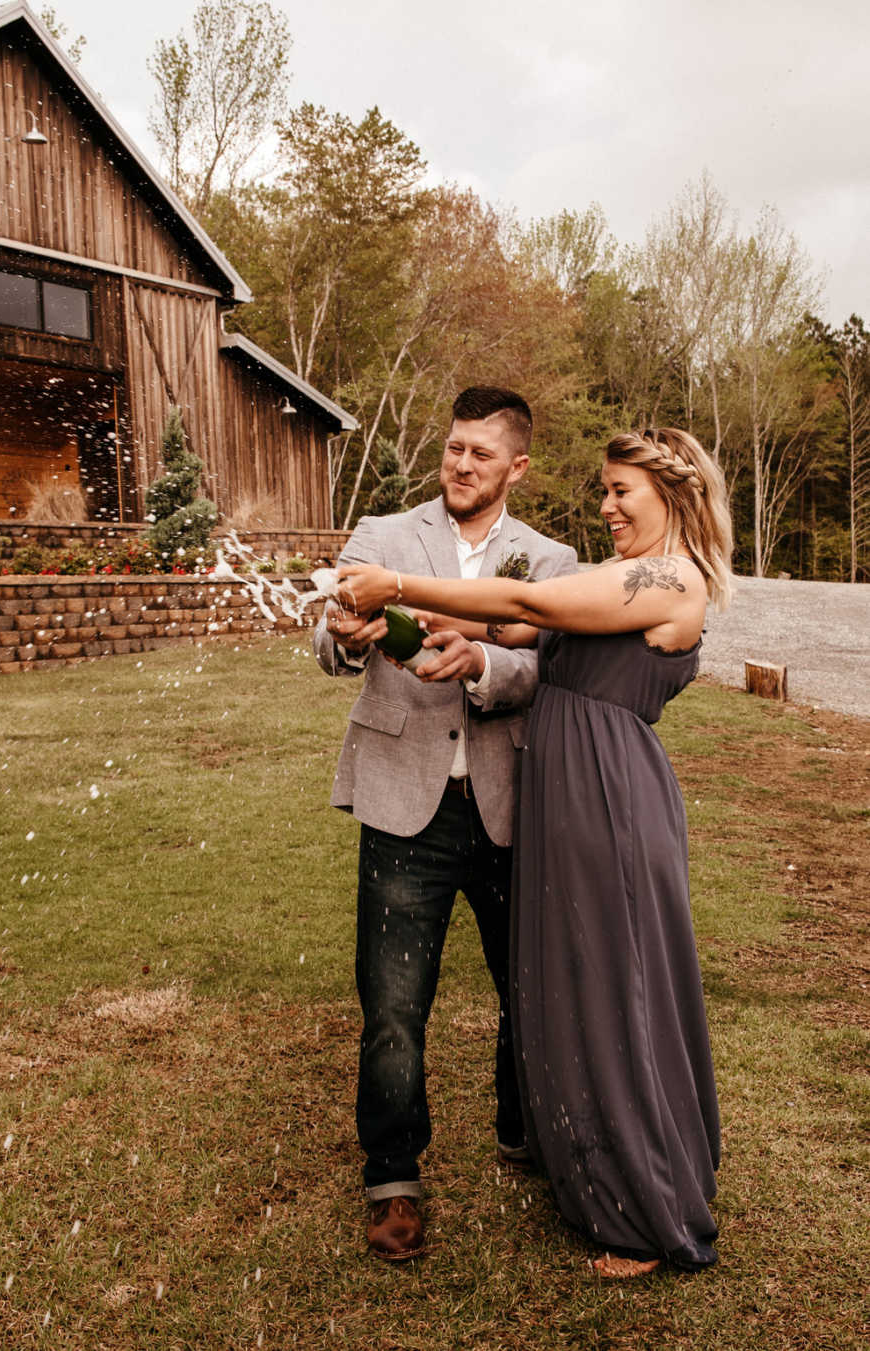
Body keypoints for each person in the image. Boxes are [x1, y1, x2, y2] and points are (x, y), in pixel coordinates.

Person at [338, 426, 733, 1278]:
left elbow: (536, 607)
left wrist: (400, 578)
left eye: (621, 490)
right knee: (581, 989)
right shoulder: (617, 576)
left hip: (609, 805)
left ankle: (645, 1213)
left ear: (674, 492)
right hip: (568, 799)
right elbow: (518, 633)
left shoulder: (671, 578)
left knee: (617, 992)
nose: (605, 505)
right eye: (605, 489)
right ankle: (598, 1167)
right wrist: (410, 618)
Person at [313, 387, 577, 1262]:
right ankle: (393, 1179)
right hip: (402, 805)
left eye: (481, 454)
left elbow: (557, 669)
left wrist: (486, 665)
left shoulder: (553, 558)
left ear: (517, 467)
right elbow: (323, 638)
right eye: (454, 447)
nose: (462, 464)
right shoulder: (383, 535)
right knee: (392, 1004)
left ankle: (521, 1126)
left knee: (528, 990)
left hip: (513, 805)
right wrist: (348, 634)